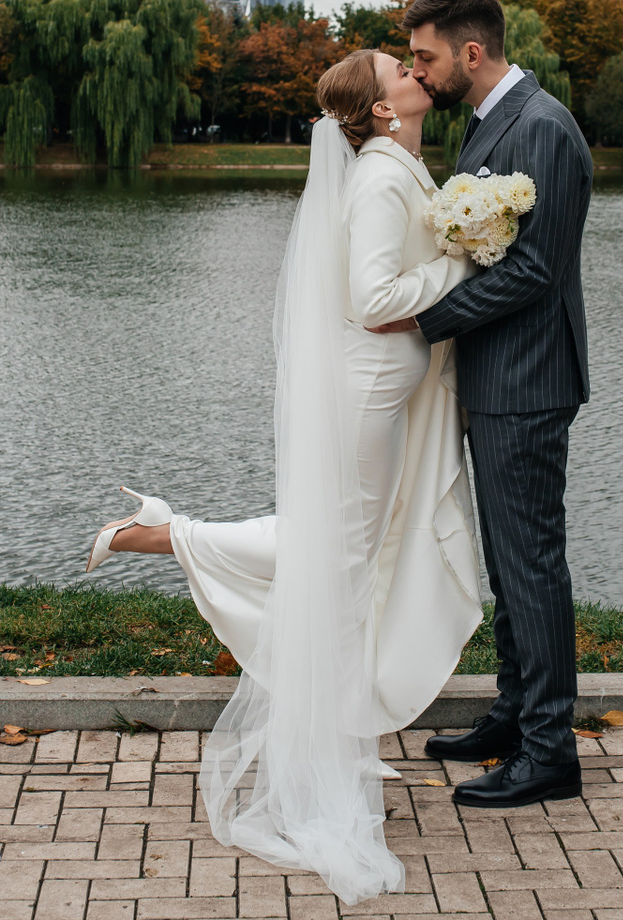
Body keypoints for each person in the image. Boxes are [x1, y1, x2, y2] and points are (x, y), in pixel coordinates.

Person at [84, 49, 482, 903]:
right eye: (399, 69)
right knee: (340, 563)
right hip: (370, 395)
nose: (415, 72)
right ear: (382, 109)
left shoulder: (397, 164)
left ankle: (334, 740)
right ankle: (168, 539)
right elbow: (375, 299)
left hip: (385, 395)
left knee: (348, 557)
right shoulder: (381, 178)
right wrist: (465, 263)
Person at [373, 0, 593, 810]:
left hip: (528, 380)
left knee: (531, 562)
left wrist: (424, 317)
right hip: (496, 374)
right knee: (509, 559)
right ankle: (514, 713)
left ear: (472, 52)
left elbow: (535, 271)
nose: (418, 71)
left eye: (425, 56)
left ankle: (549, 751)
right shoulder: (490, 121)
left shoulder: (542, 128)